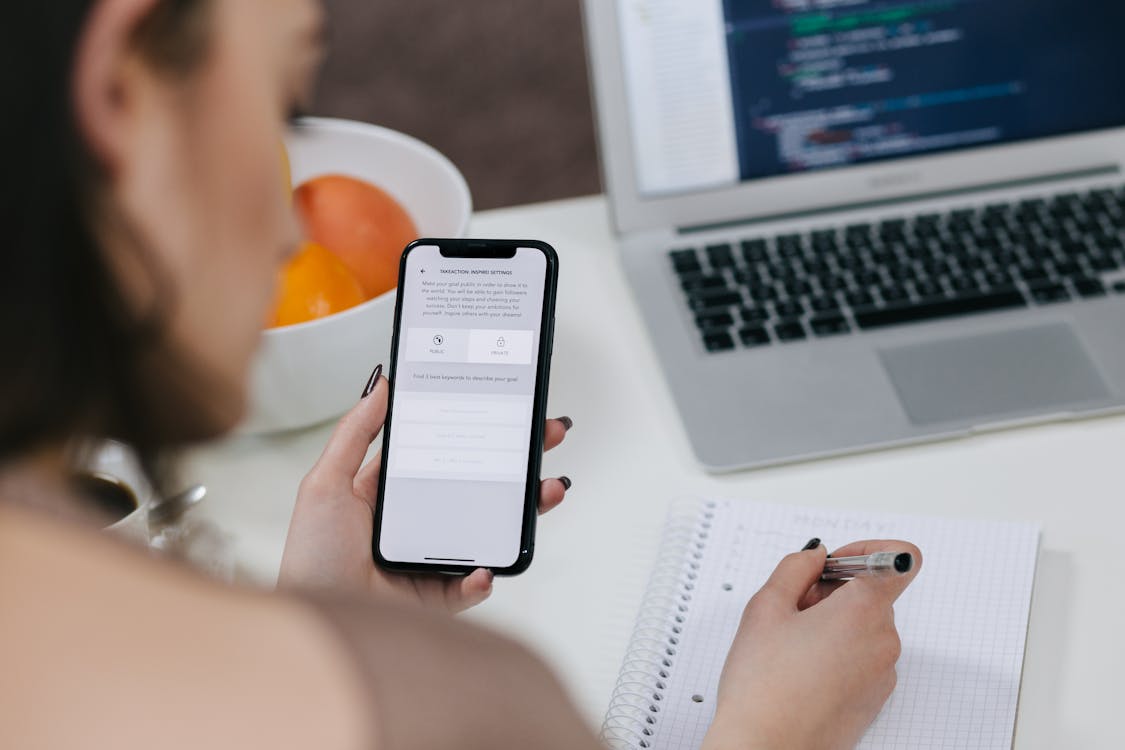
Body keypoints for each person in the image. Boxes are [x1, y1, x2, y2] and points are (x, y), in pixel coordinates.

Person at [0, 1, 922, 748]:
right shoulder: (448, 714)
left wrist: (319, 612)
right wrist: (775, 729)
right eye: (280, 109)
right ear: (123, 89)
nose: (291, 233)